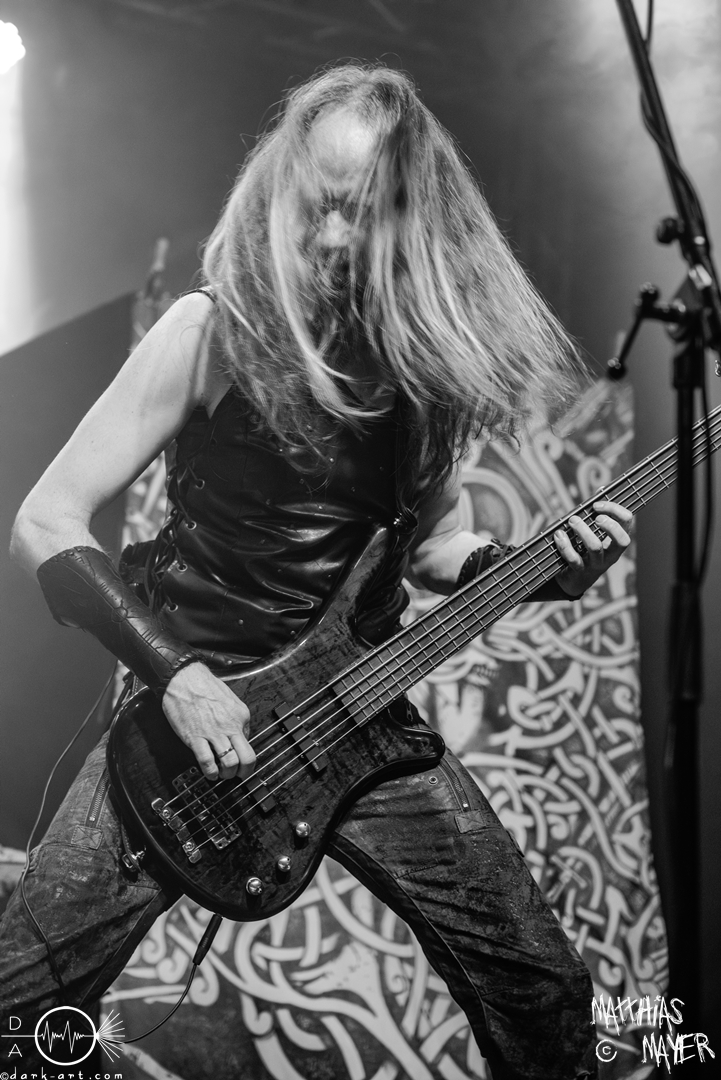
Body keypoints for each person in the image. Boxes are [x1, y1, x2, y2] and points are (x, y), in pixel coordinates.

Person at [0, 64, 632, 1079]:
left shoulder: (427, 372)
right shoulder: (211, 331)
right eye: (316, 206)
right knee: (18, 1003)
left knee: (542, 993)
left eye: (358, 213)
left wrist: (534, 570)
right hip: (187, 727)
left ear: (412, 221)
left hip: (355, 720)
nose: (331, 236)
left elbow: (433, 543)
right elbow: (44, 520)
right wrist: (176, 674)